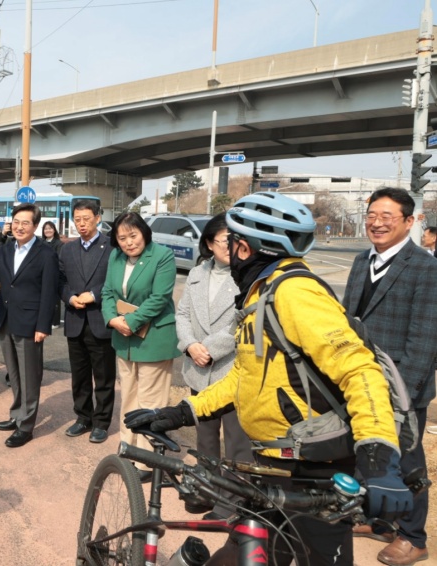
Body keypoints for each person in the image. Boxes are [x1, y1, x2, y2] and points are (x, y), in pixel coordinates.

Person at [124, 192, 413, 566]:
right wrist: (183, 411)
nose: (229, 250)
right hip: (272, 463)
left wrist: (379, 459)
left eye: (232, 242)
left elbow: (359, 370)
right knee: (246, 552)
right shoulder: (262, 293)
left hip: (314, 468)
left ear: (246, 248)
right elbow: (245, 375)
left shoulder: (295, 292)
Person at [342, 187, 437, 566]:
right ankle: (380, 520)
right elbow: (348, 320)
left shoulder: (425, 267)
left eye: (387, 217)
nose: (376, 223)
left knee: (408, 462)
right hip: (362, 381)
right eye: (371, 216)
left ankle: (413, 537)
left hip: (402, 386)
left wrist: (405, 395)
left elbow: (426, 338)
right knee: (368, 452)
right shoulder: (361, 261)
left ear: (410, 222)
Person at [175, 213, 252, 519]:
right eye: (223, 240)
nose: (230, 245)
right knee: (205, 436)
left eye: (235, 239)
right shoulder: (197, 273)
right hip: (197, 367)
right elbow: (182, 314)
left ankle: (233, 501)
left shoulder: (248, 274)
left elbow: (245, 318)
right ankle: (207, 489)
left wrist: (207, 348)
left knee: (235, 441)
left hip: (230, 368)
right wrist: (190, 345)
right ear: (209, 243)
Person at [101, 211, 179, 464]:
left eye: (133, 235)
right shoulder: (115, 256)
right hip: (124, 339)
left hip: (153, 337)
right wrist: (112, 319)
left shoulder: (162, 255)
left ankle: (147, 457)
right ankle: (127, 446)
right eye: (122, 238)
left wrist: (131, 322)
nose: (128, 242)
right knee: (129, 395)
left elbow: (160, 297)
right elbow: (107, 292)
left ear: (144, 232)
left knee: (151, 400)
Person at [0, 203, 59, 448]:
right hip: (6, 317)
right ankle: (16, 414)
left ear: (35, 226)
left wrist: (43, 326)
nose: (19, 226)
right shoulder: (6, 248)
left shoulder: (46, 253)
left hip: (30, 322)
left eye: (25, 223)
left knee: (30, 376)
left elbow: (49, 293)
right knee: (14, 373)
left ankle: (26, 426)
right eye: (16, 222)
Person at [59, 199, 116, 444]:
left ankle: (102, 423)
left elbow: (115, 281)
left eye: (86, 219)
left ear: (97, 218)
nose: (81, 224)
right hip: (75, 319)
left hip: (100, 319)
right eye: (77, 219)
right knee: (79, 375)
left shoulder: (112, 247)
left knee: (103, 376)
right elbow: (60, 281)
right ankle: (83, 418)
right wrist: (70, 297)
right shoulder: (67, 249)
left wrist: (93, 295)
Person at [42, 221, 64, 329]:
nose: (48, 230)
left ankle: (55, 321)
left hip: (54, 273)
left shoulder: (59, 244)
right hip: (42, 274)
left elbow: (59, 260)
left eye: (50, 228)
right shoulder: (41, 243)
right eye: (46, 229)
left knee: (54, 299)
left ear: (54, 230)